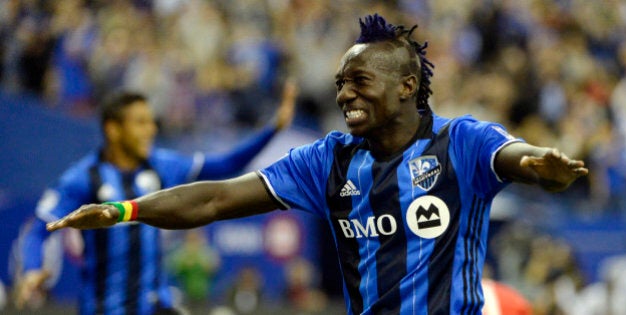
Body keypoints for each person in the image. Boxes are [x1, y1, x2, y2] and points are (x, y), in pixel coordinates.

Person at [46, 14, 589, 314]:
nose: (344, 95)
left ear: (406, 87)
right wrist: (124, 210)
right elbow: (214, 197)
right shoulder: (328, 159)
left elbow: (516, 157)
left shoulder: (462, 142)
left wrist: (542, 165)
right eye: (339, 85)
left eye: (359, 82)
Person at [14, 79, 296, 315]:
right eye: (140, 123)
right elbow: (40, 230)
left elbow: (225, 165)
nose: (151, 130)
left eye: (150, 122)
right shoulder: (82, 178)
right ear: (113, 129)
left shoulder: (163, 164)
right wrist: (32, 270)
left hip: (155, 304)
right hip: (104, 307)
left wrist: (273, 129)